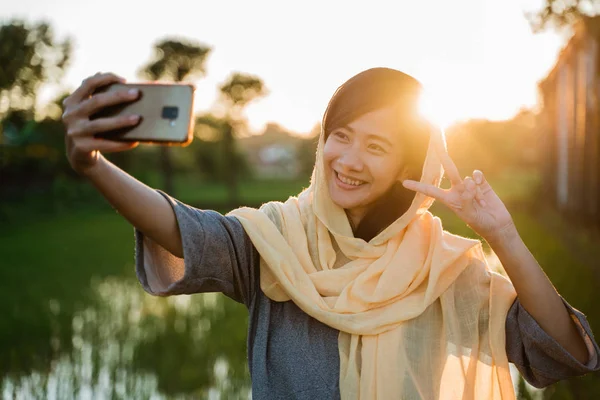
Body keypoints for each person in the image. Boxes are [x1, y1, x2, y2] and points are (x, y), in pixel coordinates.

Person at [62, 68, 599, 399]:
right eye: (341, 136)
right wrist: (91, 164)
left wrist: (502, 234)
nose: (349, 159)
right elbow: (181, 226)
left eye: (377, 146)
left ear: (405, 166)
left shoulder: (446, 270)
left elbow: (559, 350)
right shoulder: (276, 242)